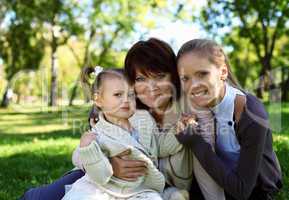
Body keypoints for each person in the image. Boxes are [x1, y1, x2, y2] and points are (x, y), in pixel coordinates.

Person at [20, 38, 220, 200]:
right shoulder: (125, 109)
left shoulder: (190, 112)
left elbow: (205, 168)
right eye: (140, 79)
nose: (151, 87)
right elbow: (83, 151)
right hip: (97, 178)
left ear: (173, 76)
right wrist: (110, 164)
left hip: (146, 191)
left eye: (159, 76)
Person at [174, 39, 282, 200]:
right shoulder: (195, 104)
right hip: (218, 176)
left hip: (255, 188)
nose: (193, 85)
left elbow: (242, 191)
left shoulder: (251, 113)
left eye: (202, 74)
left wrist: (195, 142)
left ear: (223, 72)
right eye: (185, 78)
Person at [62, 68, 190, 200]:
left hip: (139, 189)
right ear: (98, 100)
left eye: (131, 95)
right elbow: (99, 176)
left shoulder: (143, 124)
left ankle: (168, 195)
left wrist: (178, 132)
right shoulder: (97, 135)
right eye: (118, 95)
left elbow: (160, 147)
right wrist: (87, 149)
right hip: (103, 189)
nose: (126, 100)